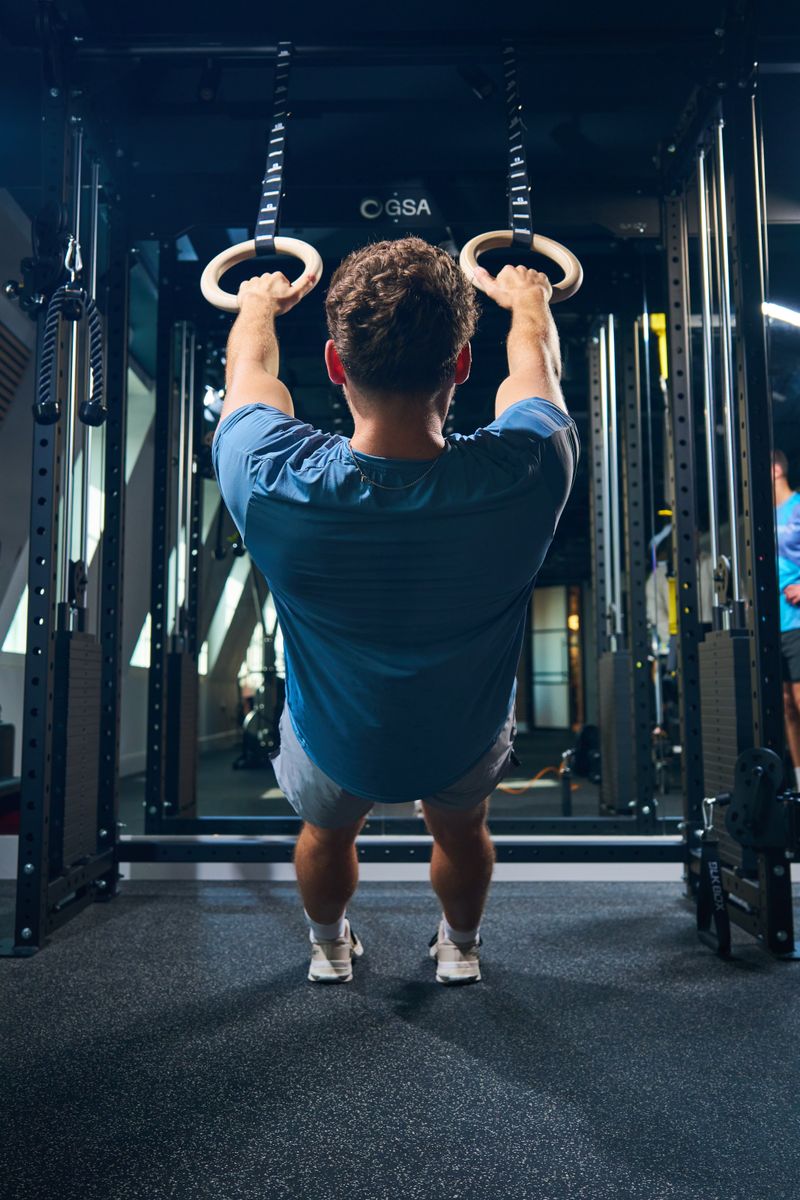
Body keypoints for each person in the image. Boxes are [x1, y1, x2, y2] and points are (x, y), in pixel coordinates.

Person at [213, 236, 578, 985]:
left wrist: (258, 305)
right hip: (463, 737)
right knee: (463, 830)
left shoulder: (267, 475)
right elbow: (535, 372)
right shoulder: (530, 469)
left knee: (326, 832)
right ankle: (460, 947)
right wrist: (528, 301)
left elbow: (249, 374)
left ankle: (328, 947)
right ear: (462, 363)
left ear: (335, 363)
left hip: (333, 739)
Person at [773, 449, 800, 788]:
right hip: (773, 622)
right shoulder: (763, 516)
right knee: (785, 706)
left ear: (777, 469)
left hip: (797, 621)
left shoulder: (797, 507)